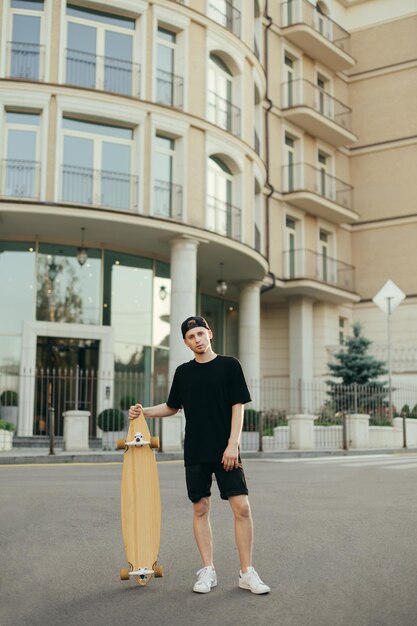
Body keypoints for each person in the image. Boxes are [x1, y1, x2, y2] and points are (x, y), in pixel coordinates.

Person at [129, 315, 270, 595]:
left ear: (210, 333)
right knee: (200, 508)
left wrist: (233, 444)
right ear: (185, 342)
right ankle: (208, 570)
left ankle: (247, 572)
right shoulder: (183, 372)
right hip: (195, 449)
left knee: (241, 507)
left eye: (201, 334)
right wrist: (144, 411)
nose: (198, 340)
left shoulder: (230, 366)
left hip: (226, 449)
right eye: (191, 337)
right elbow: (172, 407)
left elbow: (237, 406)